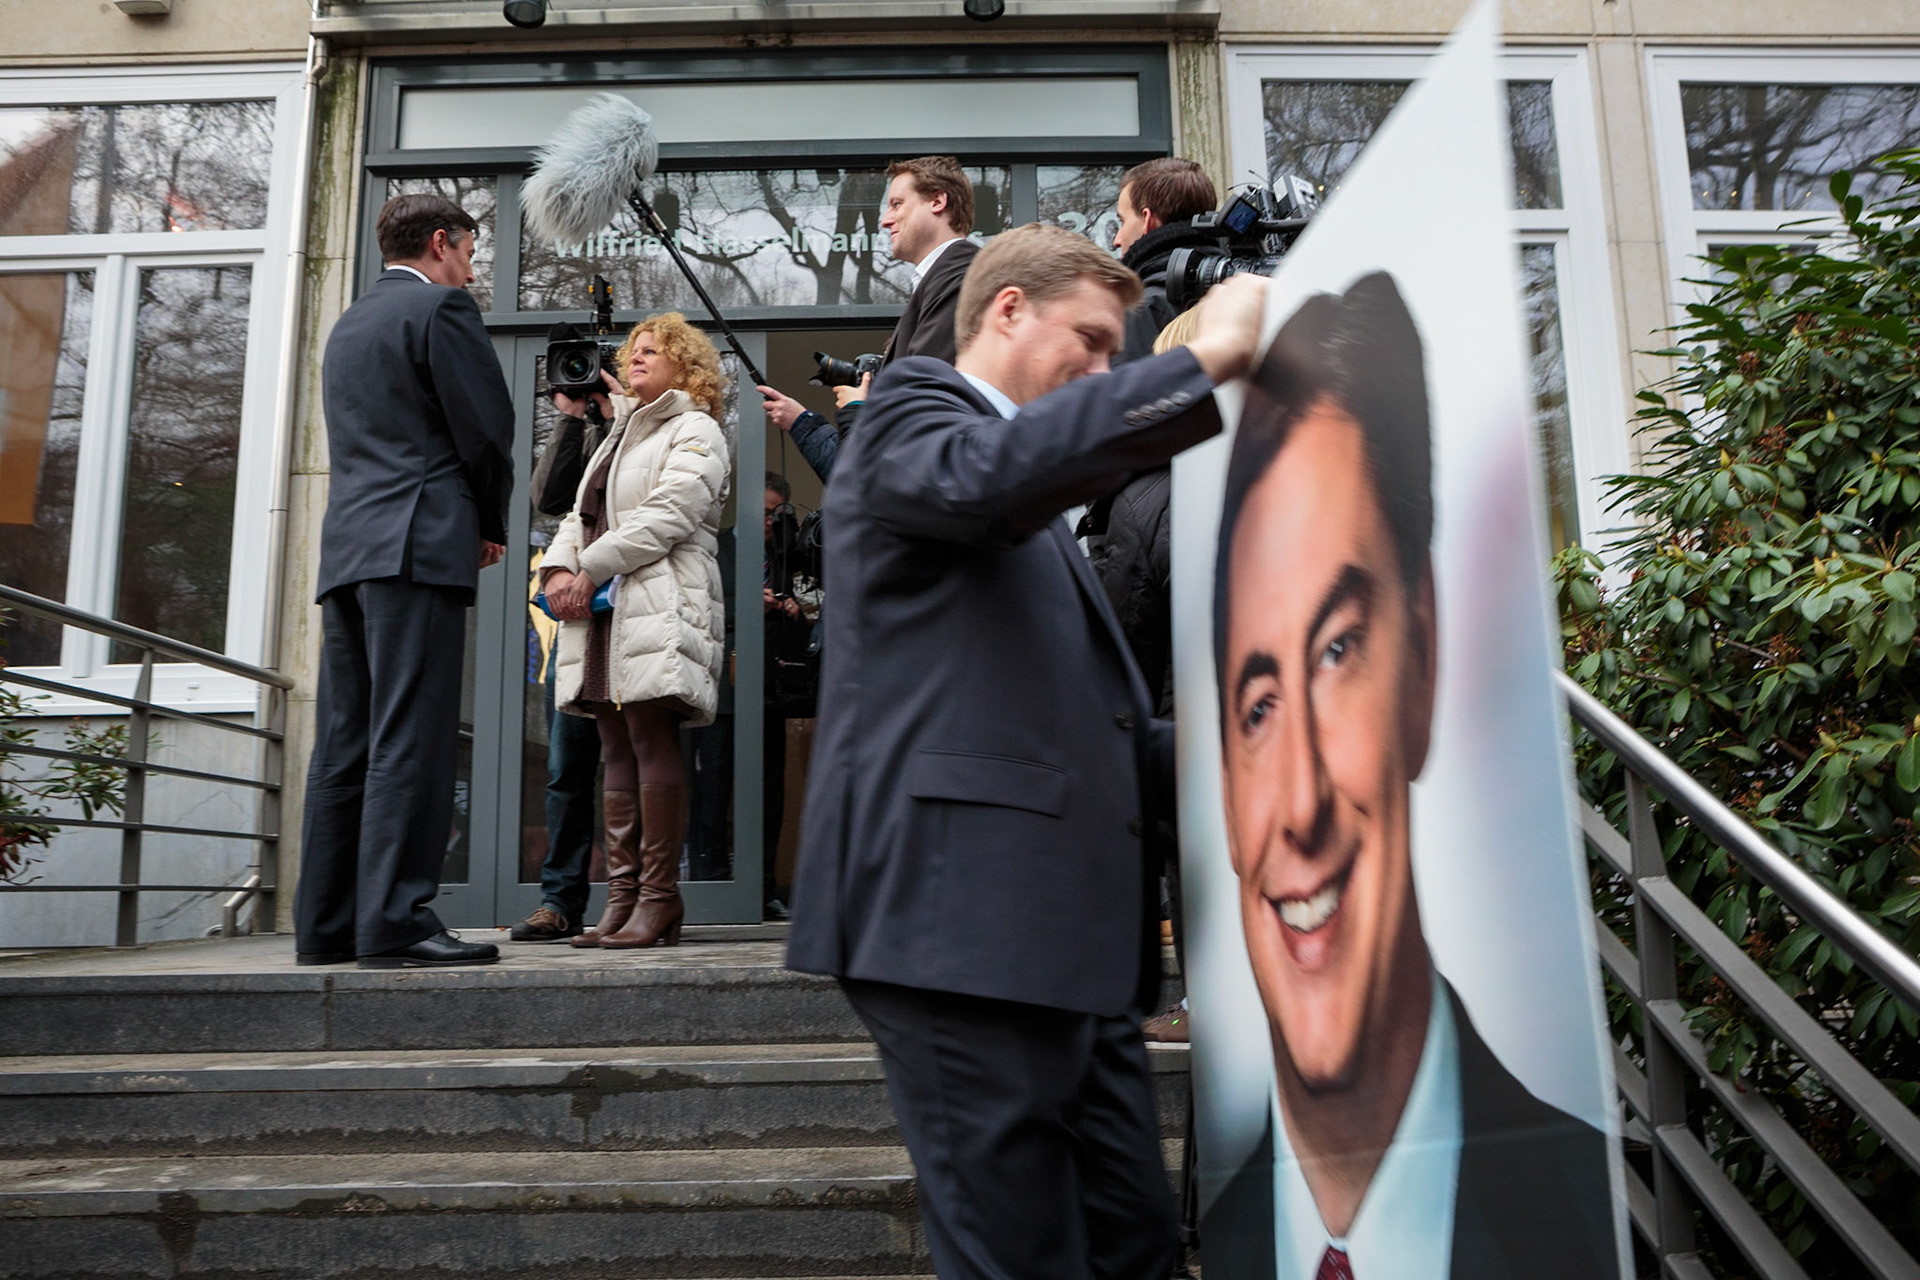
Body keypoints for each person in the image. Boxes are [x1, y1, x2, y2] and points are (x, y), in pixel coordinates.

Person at [787, 223, 1268, 1280]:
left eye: (1119, 353)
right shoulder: (914, 413)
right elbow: (989, 475)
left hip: (1064, 955)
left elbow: (1094, 738)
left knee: (1135, 1246)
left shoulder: (1037, 506)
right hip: (958, 932)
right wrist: (1210, 357)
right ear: (1007, 309)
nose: (1105, 369)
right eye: (1091, 342)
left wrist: (1262, 737)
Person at [1201, 272, 1616, 1280]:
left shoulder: (1583, 1210)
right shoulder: (1220, 1219)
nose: (1297, 804)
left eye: (1339, 650)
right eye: (1256, 703)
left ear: (1424, 656)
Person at [295, 193, 513, 971]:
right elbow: (485, 431)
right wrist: (489, 522)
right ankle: (393, 923)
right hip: (418, 544)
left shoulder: (348, 325)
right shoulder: (441, 313)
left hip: (349, 553)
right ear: (442, 243)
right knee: (410, 736)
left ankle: (325, 925)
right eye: (468, 253)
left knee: (345, 740)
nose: (470, 268)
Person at [541, 312, 731, 950]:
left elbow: (670, 514)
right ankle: (621, 902)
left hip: (656, 600)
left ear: (686, 364)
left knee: (650, 736)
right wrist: (557, 570)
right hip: (606, 610)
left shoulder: (696, 428)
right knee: (614, 744)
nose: (637, 358)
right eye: (634, 351)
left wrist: (586, 568)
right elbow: (579, 511)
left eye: (654, 350)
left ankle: (660, 900)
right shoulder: (618, 432)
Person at [758, 155, 980, 482]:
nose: (885, 220)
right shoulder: (944, 282)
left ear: (938, 201)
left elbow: (922, 404)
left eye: (897, 204)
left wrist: (860, 408)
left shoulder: (960, 280)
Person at [509, 403, 611, 943]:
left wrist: (620, 419)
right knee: (566, 768)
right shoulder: (591, 429)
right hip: (577, 629)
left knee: (632, 769)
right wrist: (573, 419)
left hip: (635, 620)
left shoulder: (662, 428)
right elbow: (551, 501)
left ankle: (635, 898)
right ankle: (559, 901)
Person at [1113, 157, 1220, 366]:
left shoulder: (1140, 310)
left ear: (1147, 220)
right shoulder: (1238, 292)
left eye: (1122, 221)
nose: (1117, 240)